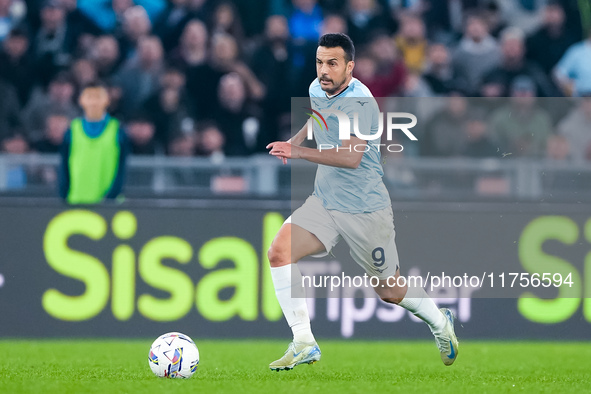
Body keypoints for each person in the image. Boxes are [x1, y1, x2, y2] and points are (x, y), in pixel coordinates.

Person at [265, 33, 458, 371]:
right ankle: (304, 342)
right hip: (324, 201)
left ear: (350, 67)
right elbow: (318, 119)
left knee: (390, 291)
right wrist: (291, 140)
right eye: (319, 62)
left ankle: (440, 323)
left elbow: (352, 157)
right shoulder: (316, 88)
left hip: (365, 209)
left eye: (332, 63)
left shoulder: (361, 101)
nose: (323, 70)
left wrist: (298, 152)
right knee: (279, 252)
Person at [58, 81, 128, 204]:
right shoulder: (72, 131)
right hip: (75, 201)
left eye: (98, 97)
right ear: (81, 100)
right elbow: (64, 166)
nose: (94, 102)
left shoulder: (118, 131)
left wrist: (112, 195)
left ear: (107, 100)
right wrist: (63, 196)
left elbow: (122, 168)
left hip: (109, 204)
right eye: (89, 97)